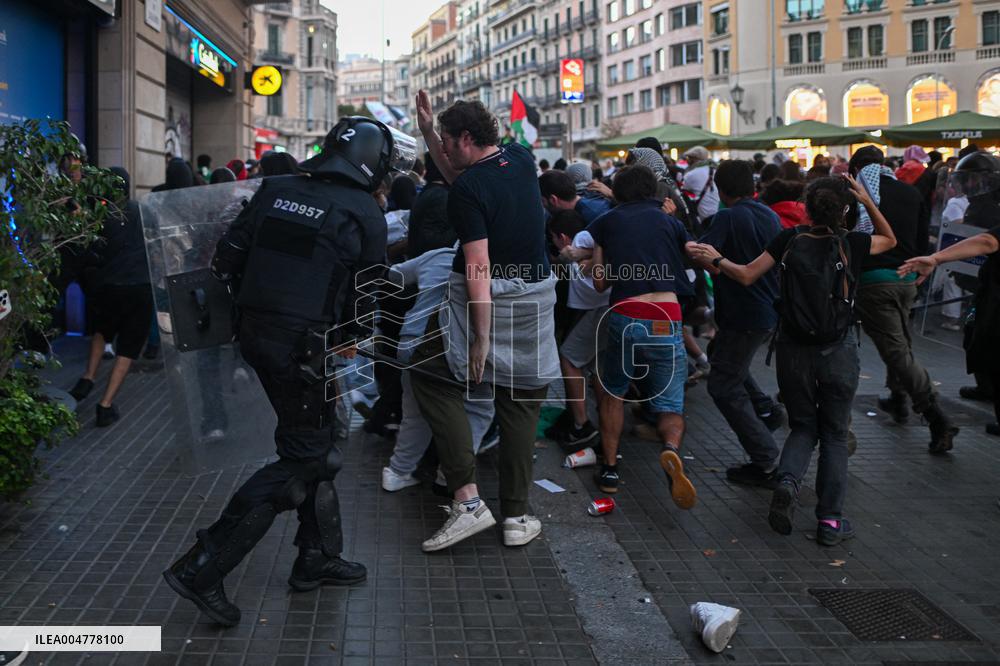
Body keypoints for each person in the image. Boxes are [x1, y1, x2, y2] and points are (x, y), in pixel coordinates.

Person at [163, 117, 412, 626]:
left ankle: (316, 556)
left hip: (257, 337)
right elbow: (365, 298)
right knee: (304, 456)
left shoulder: (276, 188)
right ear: (372, 160)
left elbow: (227, 256)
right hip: (306, 349)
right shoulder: (363, 208)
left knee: (318, 445)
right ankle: (202, 567)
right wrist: (347, 342)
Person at [688, 175, 897, 546]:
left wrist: (716, 258)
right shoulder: (853, 242)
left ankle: (787, 481)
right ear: (844, 211)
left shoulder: (788, 239)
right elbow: (892, 240)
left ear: (807, 208)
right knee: (833, 434)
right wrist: (866, 201)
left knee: (803, 427)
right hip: (839, 350)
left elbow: (747, 275)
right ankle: (830, 522)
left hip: (792, 349)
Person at [409, 91, 557, 552]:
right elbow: (459, 173)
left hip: (487, 301)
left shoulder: (468, 191)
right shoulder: (519, 157)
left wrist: (480, 338)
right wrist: (430, 130)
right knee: (520, 402)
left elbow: (478, 267)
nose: (443, 153)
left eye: (449, 142)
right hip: (535, 298)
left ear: (467, 138)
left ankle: (468, 501)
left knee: (429, 371)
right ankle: (516, 516)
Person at [586, 165, 697, 507]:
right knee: (671, 403)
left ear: (618, 191)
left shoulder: (606, 222)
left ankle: (608, 469)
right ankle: (670, 450)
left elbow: (601, 283)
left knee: (612, 391)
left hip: (628, 314)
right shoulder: (670, 221)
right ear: (653, 191)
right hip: (667, 315)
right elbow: (690, 250)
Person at [848, 146, 957, 454]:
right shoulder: (910, 194)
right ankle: (898, 400)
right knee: (900, 344)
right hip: (907, 278)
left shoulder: (856, 195)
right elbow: (923, 241)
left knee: (897, 351)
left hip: (874, 282)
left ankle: (937, 417)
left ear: (856, 169)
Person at [690, 160, 784, 488]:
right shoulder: (768, 214)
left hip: (744, 314)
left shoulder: (727, 217)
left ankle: (766, 458)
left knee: (722, 385)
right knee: (725, 359)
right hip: (764, 311)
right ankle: (766, 410)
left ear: (720, 189)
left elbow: (706, 258)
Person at [899, 152, 1000, 437]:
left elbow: (987, 240)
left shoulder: (993, 209)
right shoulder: (978, 205)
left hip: (994, 291)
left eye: (973, 180)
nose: (968, 186)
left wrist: (938, 258)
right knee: (978, 340)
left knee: (990, 344)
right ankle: (986, 386)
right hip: (984, 287)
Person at [67, 168, 153, 427]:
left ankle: (88, 377)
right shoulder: (143, 211)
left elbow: (90, 247)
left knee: (102, 332)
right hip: (141, 287)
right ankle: (105, 406)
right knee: (127, 349)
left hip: (109, 286)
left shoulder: (101, 216)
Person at [680, 146, 719, 227]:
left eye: (689, 158)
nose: (687, 161)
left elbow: (684, 191)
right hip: (720, 212)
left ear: (694, 159)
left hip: (704, 217)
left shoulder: (691, 174)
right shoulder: (716, 170)